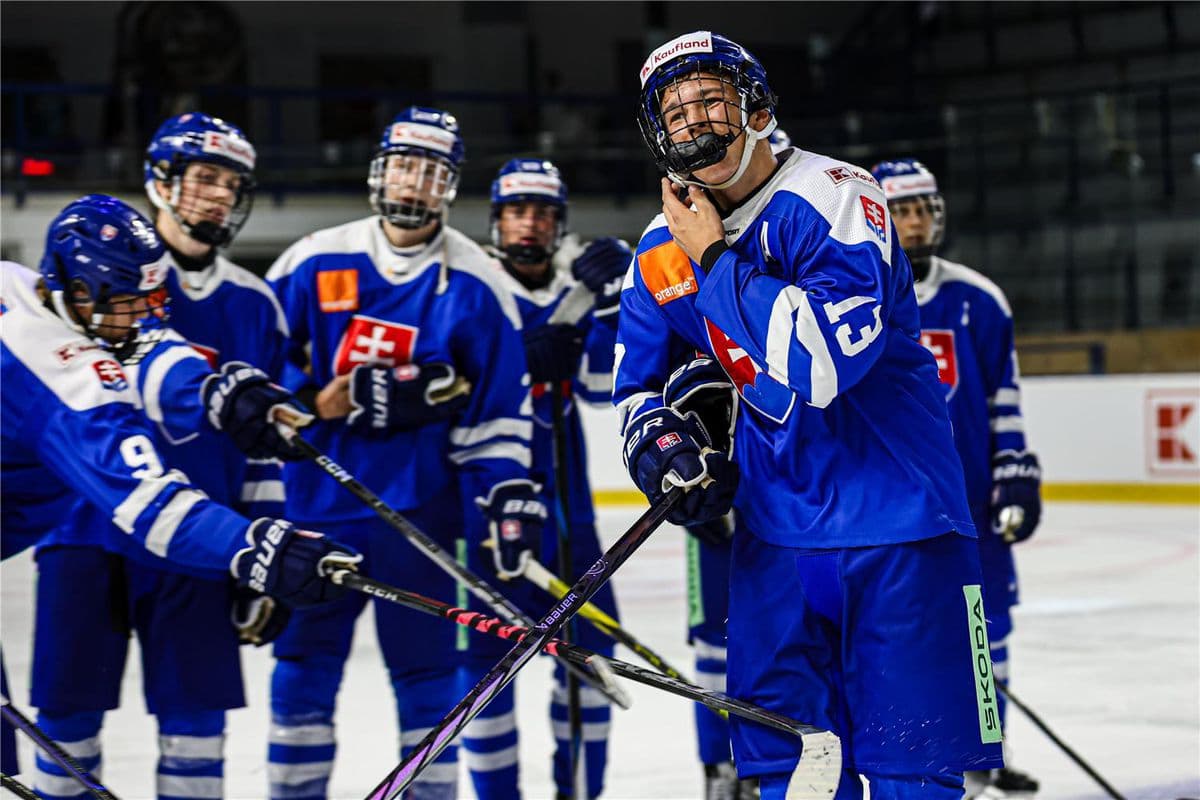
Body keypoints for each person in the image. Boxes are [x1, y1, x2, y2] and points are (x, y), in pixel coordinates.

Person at [614, 31, 1004, 798]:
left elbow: (821, 362)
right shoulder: (659, 250)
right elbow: (637, 386)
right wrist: (661, 443)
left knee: (912, 775)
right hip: (774, 542)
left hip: (902, 532)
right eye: (676, 108)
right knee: (784, 775)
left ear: (756, 105)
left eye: (710, 99)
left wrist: (718, 261)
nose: (694, 122)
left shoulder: (835, 194)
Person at [0, 195, 357, 787]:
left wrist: (215, 392)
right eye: (128, 302)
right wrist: (255, 546)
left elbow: (151, 350)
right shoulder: (66, 377)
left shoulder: (27, 288)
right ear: (80, 294)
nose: (143, 316)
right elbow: (154, 509)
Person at [265, 107, 542, 800]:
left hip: (419, 520)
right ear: (379, 169)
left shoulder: (478, 283)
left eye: (431, 171)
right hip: (316, 511)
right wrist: (316, 401)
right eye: (403, 164)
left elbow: (500, 414)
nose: (413, 182)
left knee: (426, 682)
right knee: (301, 669)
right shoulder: (312, 259)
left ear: (448, 186)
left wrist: (504, 496)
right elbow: (256, 378)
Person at [26, 114, 295, 800]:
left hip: (198, 536)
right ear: (161, 181)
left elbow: (264, 451)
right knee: (66, 719)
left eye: (231, 185)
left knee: (196, 727)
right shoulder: (95, 276)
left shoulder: (256, 303)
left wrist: (258, 562)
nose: (217, 197)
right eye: (204, 177)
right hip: (83, 527)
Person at [457, 158, 630, 800]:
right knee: (484, 682)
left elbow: (598, 388)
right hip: (483, 520)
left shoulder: (572, 295)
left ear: (559, 226)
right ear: (496, 221)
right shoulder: (467, 287)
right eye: (516, 211)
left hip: (568, 524)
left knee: (592, 676)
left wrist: (615, 302)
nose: (529, 224)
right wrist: (522, 356)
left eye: (543, 213)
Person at [871, 158, 1042, 798]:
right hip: (896, 510)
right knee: (906, 638)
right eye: (901, 211)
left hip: (971, 502)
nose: (914, 223)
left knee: (987, 631)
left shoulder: (979, 298)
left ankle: (985, 755)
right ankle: (923, 758)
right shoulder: (857, 295)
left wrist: (1017, 473)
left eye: (922, 210)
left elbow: (1005, 396)